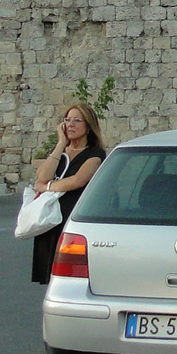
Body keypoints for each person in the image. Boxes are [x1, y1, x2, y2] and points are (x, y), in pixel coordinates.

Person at [30, 102, 107, 285]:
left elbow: (76, 181)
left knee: (71, 277)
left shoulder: (95, 154)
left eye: (76, 121)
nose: (70, 124)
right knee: (51, 279)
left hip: (71, 219)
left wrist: (47, 187)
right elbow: (42, 175)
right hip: (50, 220)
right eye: (67, 120)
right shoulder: (60, 152)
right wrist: (60, 144)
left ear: (88, 126)